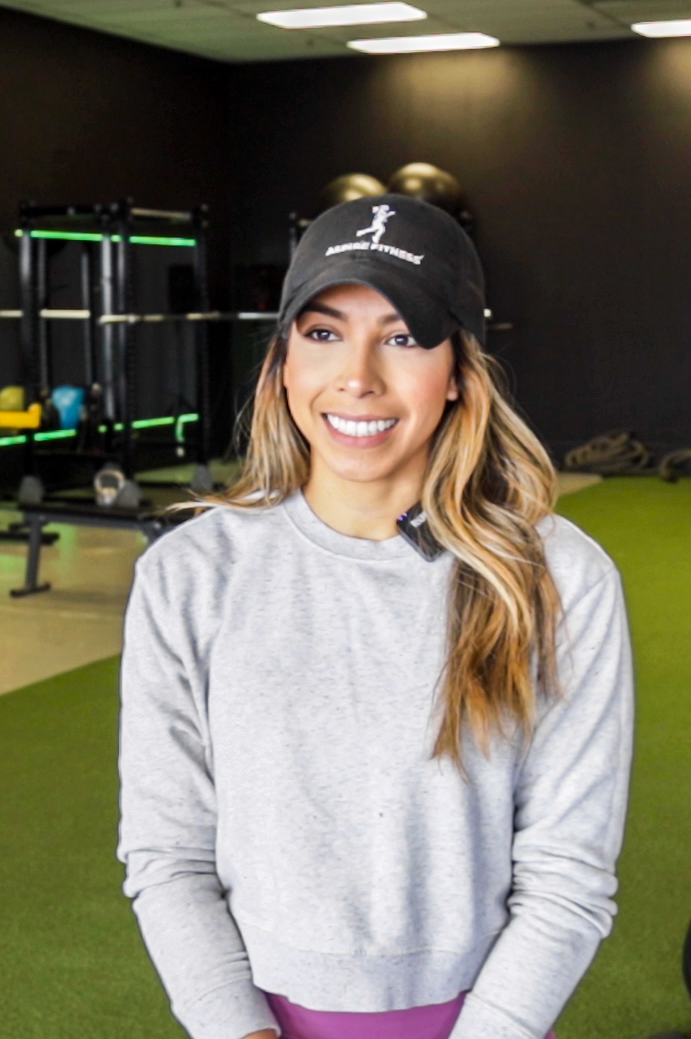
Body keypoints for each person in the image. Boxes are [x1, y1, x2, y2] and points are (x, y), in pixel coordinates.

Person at [116, 195, 634, 1039]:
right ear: (282, 362)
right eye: (323, 334)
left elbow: (567, 877)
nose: (357, 376)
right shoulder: (189, 576)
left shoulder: (558, 579)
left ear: (460, 370)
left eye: (401, 338)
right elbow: (167, 855)